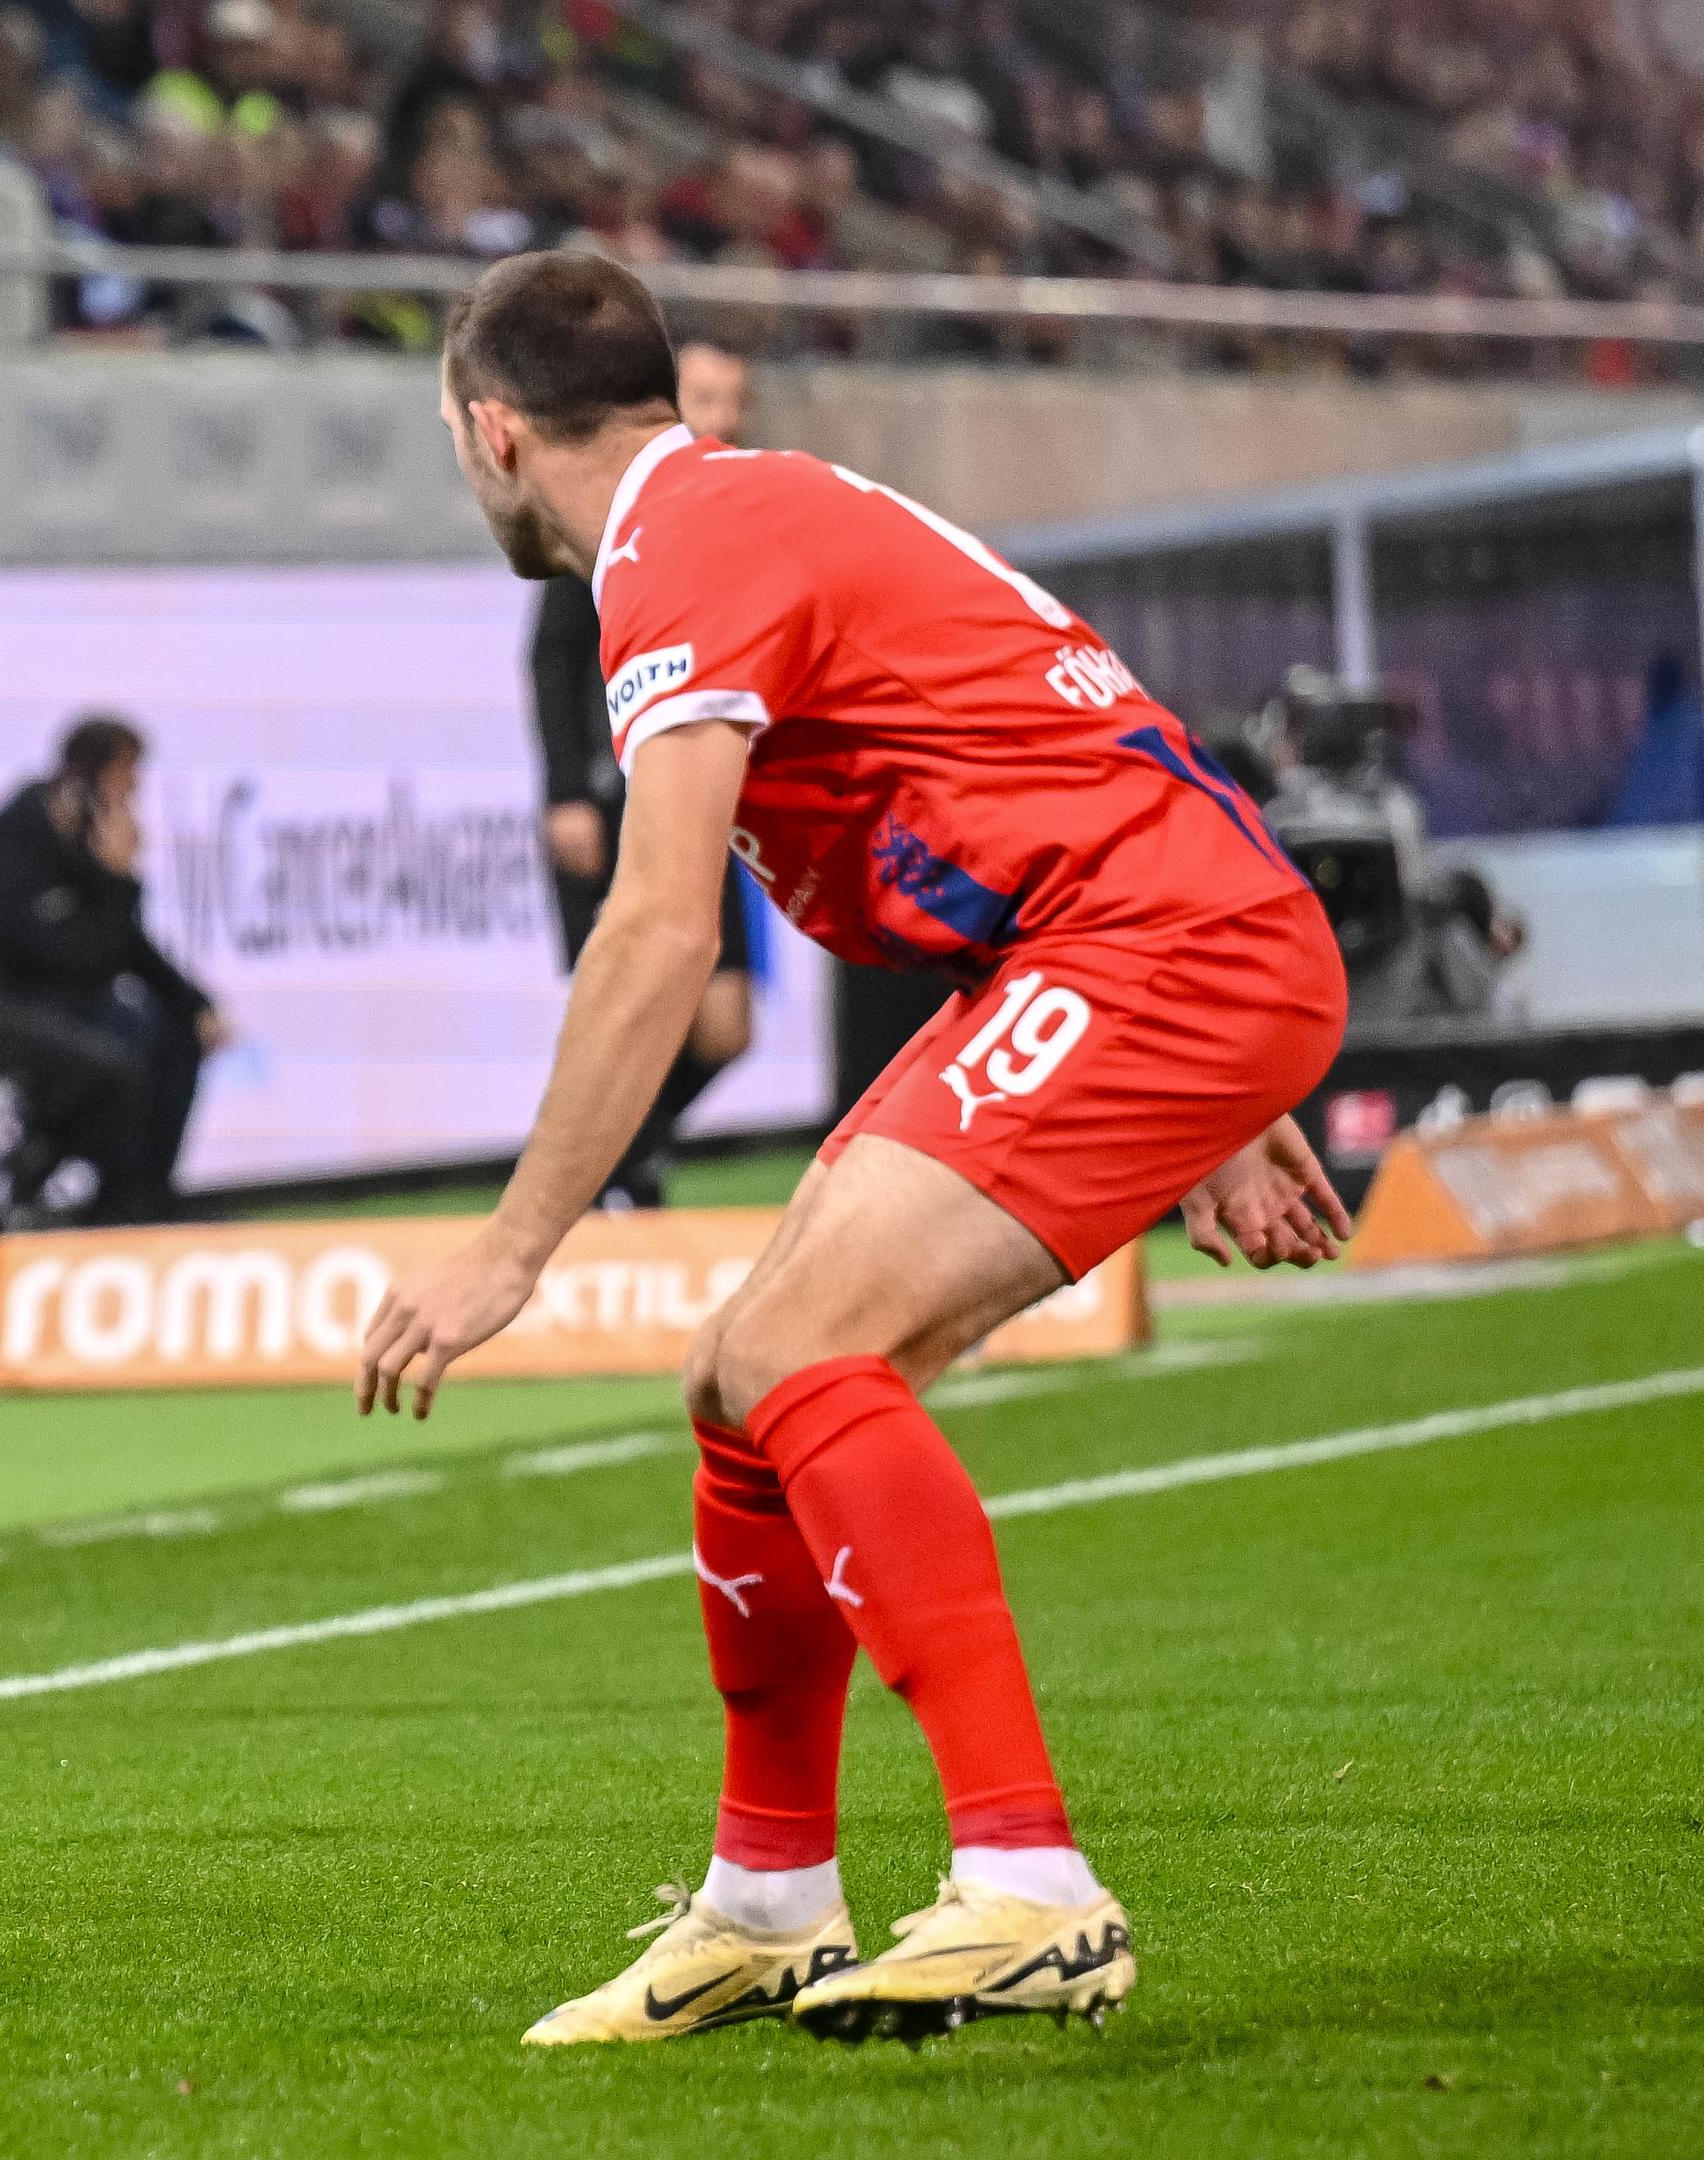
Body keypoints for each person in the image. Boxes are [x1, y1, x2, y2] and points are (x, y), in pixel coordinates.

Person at [365, 252, 1350, 2049]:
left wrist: (512, 1245)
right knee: (741, 1382)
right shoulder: (755, 508)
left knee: (805, 1350)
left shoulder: (681, 557)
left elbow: (654, 933)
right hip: (1136, 940)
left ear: (490, 430)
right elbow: (1059, 725)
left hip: (1149, 948)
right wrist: (1232, 1091)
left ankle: (1032, 1890)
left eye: (456, 434)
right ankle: (766, 1904)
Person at [524, 338, 758, 1209]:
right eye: (706, 398)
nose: (725, 420)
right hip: (616, 799)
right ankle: (609, 1175)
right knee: (639, 1007)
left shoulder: (740, 510)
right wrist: (565, 792)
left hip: (705, 805)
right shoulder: (609, 512)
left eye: (735, 400)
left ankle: (616, 1162)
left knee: (725, 1027)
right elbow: (553, 659)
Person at [0, 714, 227, 1223]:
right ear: (94, 774)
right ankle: (117, 1205)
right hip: (14, 1007)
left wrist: (196, 1003)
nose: (136, 789)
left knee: (175, 1031)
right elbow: (68, 958)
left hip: (74, 1005)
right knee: (127, 1038)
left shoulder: (87, 837)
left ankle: (143, 1195)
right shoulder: (8, 843)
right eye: (128, 774)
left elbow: (125, 948)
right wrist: (117, 880)